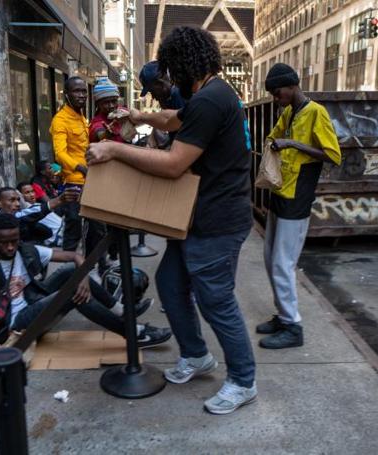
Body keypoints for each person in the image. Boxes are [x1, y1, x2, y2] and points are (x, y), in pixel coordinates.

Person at [87, 27, 256, 415]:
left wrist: (114, 148)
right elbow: (173, 119)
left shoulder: (212, 100)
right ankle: (197, 356)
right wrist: (138, 115)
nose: (168, 77)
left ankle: (243, 380)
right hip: (196, 217)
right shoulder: (208, 95)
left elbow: (173, 164)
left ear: (182, 64)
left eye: (170, 69)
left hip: (217, 220)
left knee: (216, 301)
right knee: (170, 283)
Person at [0, 213, 169, 354]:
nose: (11, 247)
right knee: (70, 293)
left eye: (15, 240)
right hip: (14, 325)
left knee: (71, 271)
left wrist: (84, 277)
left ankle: (121, 310)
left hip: (33, 301)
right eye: (5, 243)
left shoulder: (25, 250)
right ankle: (133, 332)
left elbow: (74, 257)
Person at [257, 63, 341, 349]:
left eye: (277, 91)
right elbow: (273, 137)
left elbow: (332, 155)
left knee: (283, 263)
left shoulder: (316, 112)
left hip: (298, 197)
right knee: (271, 258)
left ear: (292, 85)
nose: (274, 97)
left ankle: (293, 327)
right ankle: (283, 315)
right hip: (281, 193)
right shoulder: (290, 112)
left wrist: (293, 144)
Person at [0, 186, 79, 263]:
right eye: (12, 200)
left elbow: (45, 232)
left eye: (18, 200)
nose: (17, 204)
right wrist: (57, 201)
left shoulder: (13, 223)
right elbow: (23, 216)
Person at [50, 76, 90, 253]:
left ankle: (97, 265)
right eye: (77, 91)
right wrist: (80, 167)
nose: (82, 95)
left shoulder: (80, 116)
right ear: (66, 95)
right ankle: (70, 270)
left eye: (84, 91)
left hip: (90, 180)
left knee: (96, 227)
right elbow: (60, 154)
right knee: (73, 227)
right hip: (74, 182)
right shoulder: (60, 120)